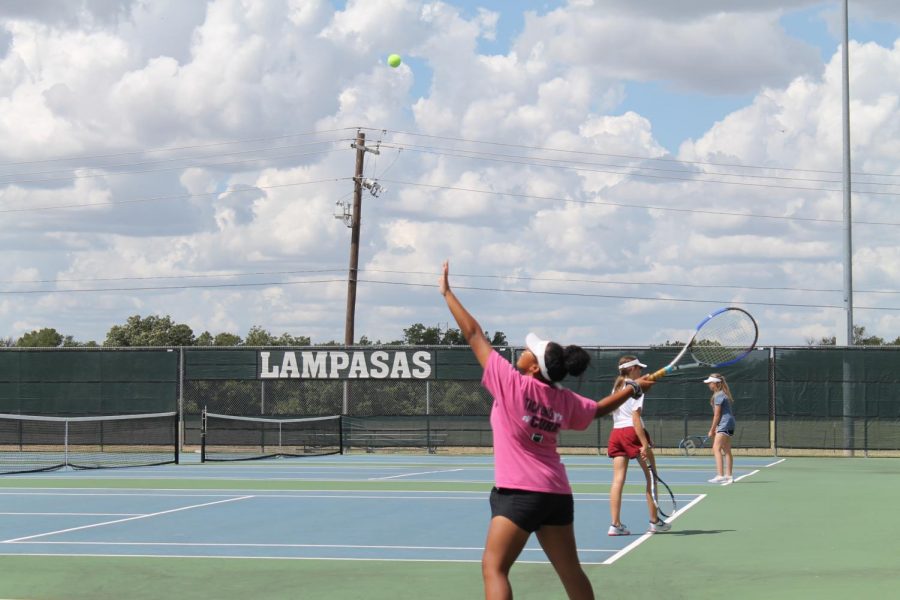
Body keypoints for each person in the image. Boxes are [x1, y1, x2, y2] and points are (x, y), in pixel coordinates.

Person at [439, 260, 655, 600]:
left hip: (519, 495)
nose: (523, 351)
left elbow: (473, 334)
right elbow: (597, 410)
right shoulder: (564, 398)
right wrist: (632, 388)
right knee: (571, 572)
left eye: (528, 350)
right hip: (556, 493)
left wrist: (447, 293)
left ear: (534, 366)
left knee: (494, 568)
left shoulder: (511, 384)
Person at [606, 356, 671, 536]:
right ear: (632, 369)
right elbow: (635, 418)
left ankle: (615, 524)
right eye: (639, 368)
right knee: (652, 477)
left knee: (617, 480)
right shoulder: (636, 389)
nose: (641, 371)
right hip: (631, 432)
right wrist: (644, 444)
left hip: (616, 434)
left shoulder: (617, 387)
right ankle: (654, 521)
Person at [705, 373, 736, 483]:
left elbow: (717, 415)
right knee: (726, 450)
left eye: (710, 383)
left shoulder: (719, 395)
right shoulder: (722, 394)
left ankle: (720, 475)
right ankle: (729, 476)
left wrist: (712, 429)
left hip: (725, 423)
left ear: (716, 383)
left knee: (716, 448)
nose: (708, 385)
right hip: (729, 423)